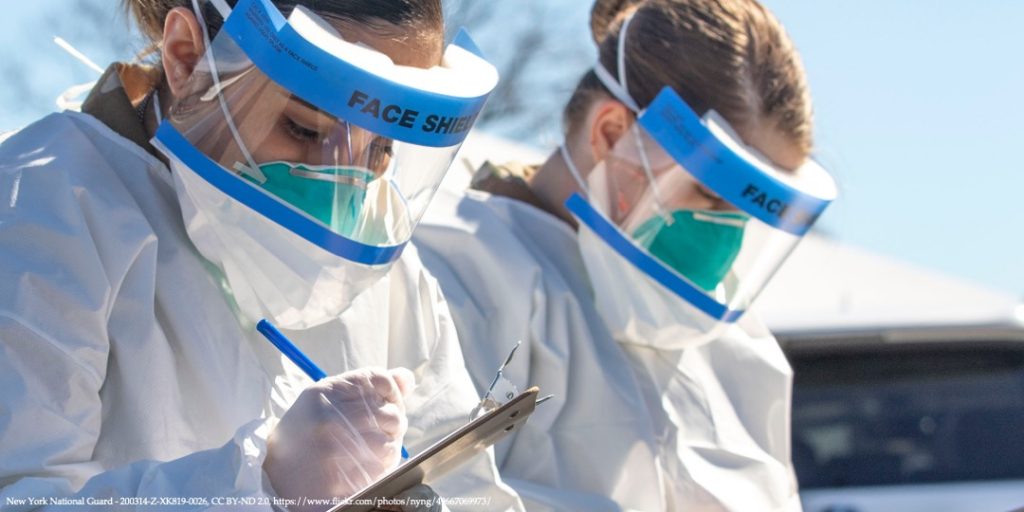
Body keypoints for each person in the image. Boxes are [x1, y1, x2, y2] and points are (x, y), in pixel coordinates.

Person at [0, 0, 521, 510]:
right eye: (306, 129)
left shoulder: (386, 271)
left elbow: (471, 488)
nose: (343, 181)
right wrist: (258, 488)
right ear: (188, 58)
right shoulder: (44, 200)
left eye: (382, 148)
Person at [413, 0, 837, 510]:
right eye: (711, 196)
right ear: (612, 134)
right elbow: (425, 496)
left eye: (746, 213)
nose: (727, 233)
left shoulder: (739, 352)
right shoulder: (458, 273)